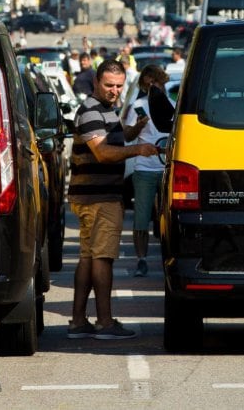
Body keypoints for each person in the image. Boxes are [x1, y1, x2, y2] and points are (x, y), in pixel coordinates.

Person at [68, 59, 159, 339]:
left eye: (119, 86)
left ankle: (78, 321)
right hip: (99, 198)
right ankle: (105, 322)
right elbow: (103, 152)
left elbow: (113, 141)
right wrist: (139, 150)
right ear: (96, 82)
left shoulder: (107, 110)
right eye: (109, 85)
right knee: (102, 258)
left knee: (87, 258)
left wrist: (133, 131)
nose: (115, 91)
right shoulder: (90, 111)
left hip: (92, 196)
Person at [124, 65, 174, 277]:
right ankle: (141, 260)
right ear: (144, 84)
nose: (154, 87)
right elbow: (127, 136)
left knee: (169, 219)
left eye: (158, 83)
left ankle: (169, 259)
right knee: (141, 218)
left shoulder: (171, 105)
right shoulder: (138, 106)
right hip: (144, 168)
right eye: (150, 83)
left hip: (166, 168)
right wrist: (139, 125)